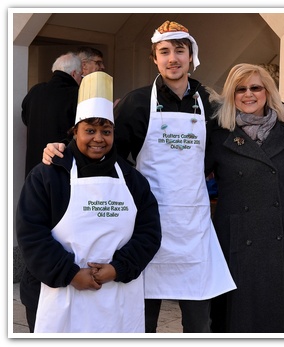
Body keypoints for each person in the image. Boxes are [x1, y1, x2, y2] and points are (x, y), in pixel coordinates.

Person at [42, 20, 236, 333]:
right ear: (155, 59)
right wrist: (61, 149)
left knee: (199, 322)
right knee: (142, 321)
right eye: (164, 51)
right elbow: (102, 149)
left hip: (194, 227)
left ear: (191, 56)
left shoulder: (210, 104)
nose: (172, 58)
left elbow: (233, 138)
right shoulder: (136, 102)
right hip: (145, 224)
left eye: (179, 51)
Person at [16, 71, 162, 333]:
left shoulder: (132, 179)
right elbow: (31, 234)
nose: (98, 138)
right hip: (60, 292)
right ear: (74, 131)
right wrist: (70, 274)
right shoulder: (47, 174)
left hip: (118, 294)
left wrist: (118, 268)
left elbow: (149, 233)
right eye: (90, 130)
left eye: (106, 131)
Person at [205, 63, 284, 333]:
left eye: (256, 87)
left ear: (268, 92)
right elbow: (193, 178)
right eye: (240, 89)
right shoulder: (218, 134)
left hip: (278, 237)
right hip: (235, 238)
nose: (248, 94)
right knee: (236, 318)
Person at [21, 52, 83, 178]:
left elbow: (25, 118)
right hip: (61, 165)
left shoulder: (35, 91)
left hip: (34, 167)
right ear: (74, 74)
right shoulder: (77, 94)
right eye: (81, 75)